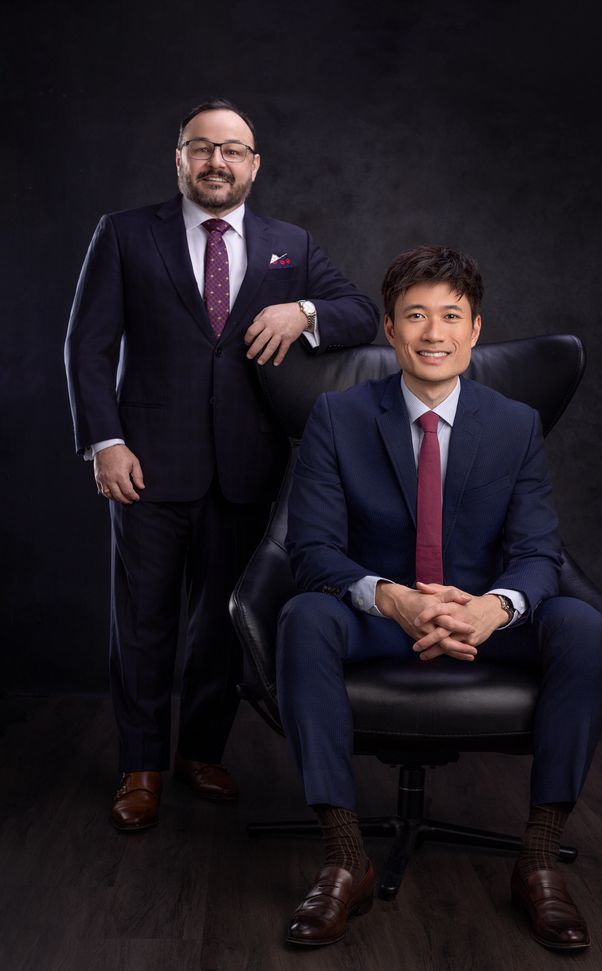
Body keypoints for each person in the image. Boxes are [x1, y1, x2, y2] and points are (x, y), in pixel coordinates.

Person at [276, 245, 602, 950]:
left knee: (578, 625)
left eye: (451, 316)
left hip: (479, 616)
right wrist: (393, 599)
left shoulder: (515, 423)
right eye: (415, 315)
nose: (434, 333)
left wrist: (494, 608)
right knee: (304, 616)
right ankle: (345, 858)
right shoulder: (337, 416)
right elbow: (312, 551)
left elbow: (537, 551)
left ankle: (538, 861)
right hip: (378, 617)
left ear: (475, 329)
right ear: (390, 328)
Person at [64, 98, 379, 832]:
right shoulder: (124, 234)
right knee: (143, 622)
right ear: (179, 158)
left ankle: (200, 752)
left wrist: (304, 312)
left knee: (220, 628)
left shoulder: (290, 245)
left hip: (245, 468)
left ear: (254, 165)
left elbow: (362, 312)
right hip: (144, 465)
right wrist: (104, 442)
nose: (217, 161)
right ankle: (141, 765)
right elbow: (86, 347)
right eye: (202, 147)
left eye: (232, 150)